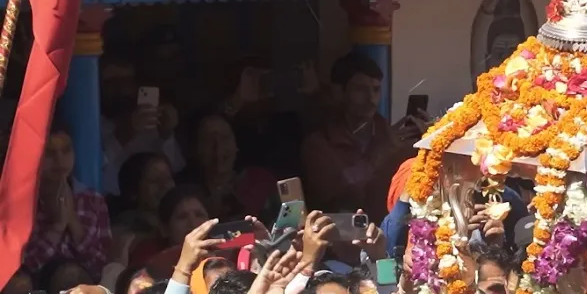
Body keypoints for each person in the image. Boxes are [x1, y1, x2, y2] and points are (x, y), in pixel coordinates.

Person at [301, 52, 416, 221]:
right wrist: (380, 156)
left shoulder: (389, 136)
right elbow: (331, 194)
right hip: (340, 235)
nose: (371, 99)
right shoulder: (319, 143)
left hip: (387, 232)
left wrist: (426, 143)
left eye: (376, 90)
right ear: (339, 91)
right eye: (360, 89)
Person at [23, 122, 111, 278]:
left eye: (66, 150)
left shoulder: (93, 200)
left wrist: (71, 219)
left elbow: (100, 262)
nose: (59, 160)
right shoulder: (21, 203)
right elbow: (26, 266)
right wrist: (58, 226)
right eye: (49, 153)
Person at [98, 51, 186, 197]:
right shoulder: (91, 125)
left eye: (126, 82)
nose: (121, 89)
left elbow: (177, 170)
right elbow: (93, 170)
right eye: (112, 83)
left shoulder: (151, 122)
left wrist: (167, 135)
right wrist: (126, 133)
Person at [176, 112, 276, 221]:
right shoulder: (185, 194)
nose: (218, 148)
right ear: (196, 149)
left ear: (236, 145)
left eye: (225, 138)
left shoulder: (260, 180)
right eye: (208, 140)